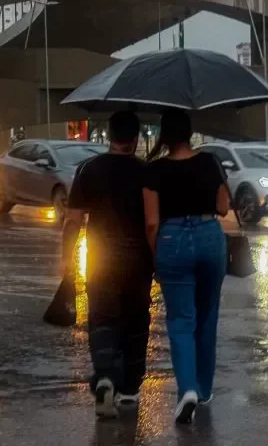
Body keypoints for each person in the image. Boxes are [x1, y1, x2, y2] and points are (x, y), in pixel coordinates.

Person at [61, 111, 152, 419]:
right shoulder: (147, 173)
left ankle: (104, 379)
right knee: (136, 321)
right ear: (136, 138)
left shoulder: (89, 169)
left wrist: (66, 261)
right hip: (139, 260)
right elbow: (155, 222)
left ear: (109, 135)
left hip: (100, 258)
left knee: (102, 319)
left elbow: (72, 221)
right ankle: (129, 389)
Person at [142, 109, 229, 425]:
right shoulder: (209, 162)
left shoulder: (154, 171)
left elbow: (151, 223)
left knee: (181, 321)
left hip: (172, 239)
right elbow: (222, 207)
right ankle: (204, 390)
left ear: (164, 136)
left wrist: (158, 255)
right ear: (191, 133)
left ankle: (187, 389)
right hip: (209, 237)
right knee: (207, 317)